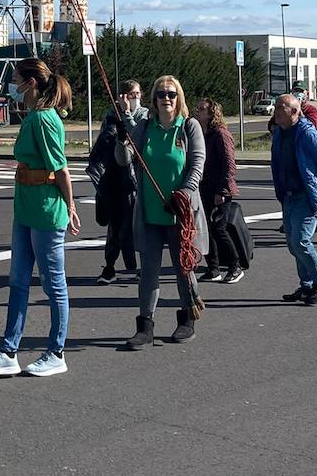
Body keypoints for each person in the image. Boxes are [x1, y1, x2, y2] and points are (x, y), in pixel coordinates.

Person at [0, 58, 80, 378]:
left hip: (46, 211)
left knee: (54, 284)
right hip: (26, 208)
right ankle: (9, 350)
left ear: (31, 83)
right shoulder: (35, 116)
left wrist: (71, 207)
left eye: (16, 79)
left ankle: (56, 351)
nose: (13, 86)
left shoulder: (44, 119)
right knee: (18, 281)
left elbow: (60, 169)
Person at [118, 75, 209, 346]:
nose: (166, 98)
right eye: (161, 94)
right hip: (150, 214)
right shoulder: (145, 128)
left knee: (184, 268)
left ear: (178, 97)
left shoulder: (189, 127)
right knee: (149, 271)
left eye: (171, 93)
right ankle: (145, 325)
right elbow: (124, 159)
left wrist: (183, 194)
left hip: (181, 214)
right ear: (153, 99)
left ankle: (187, 319)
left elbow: (197, 166)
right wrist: (122, 132)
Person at [271, 94, 317, 305]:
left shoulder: (307, 134)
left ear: (294, 111)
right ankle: (306, 285)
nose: (276, 112)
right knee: (292, 243)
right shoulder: (280, 133)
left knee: (300, 240)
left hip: (306, 196)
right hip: (289, 196)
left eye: (280, 108)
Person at [91, 79, 145, 284]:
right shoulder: (111, 114)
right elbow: (104, 141)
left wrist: (127, 114)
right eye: (131, 95)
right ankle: (110, 266)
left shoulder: (143, 114)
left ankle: (141, 265)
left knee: (137, 224)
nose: (135, 98)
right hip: (113, 176)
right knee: (114, 224)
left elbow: (137, 138)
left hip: (134, 177)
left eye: (138, 94)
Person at [194, 98, 242, 284]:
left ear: (212, 113)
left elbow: (229, 164)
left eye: (201, 109)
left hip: (220, 190)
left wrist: (222, 190)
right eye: (197, 108)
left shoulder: (221, 134)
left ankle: (235, 266)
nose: (197, 111)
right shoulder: (201, 134)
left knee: (219, 229)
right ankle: (213, 268)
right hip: (204, 187)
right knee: (206, 229)